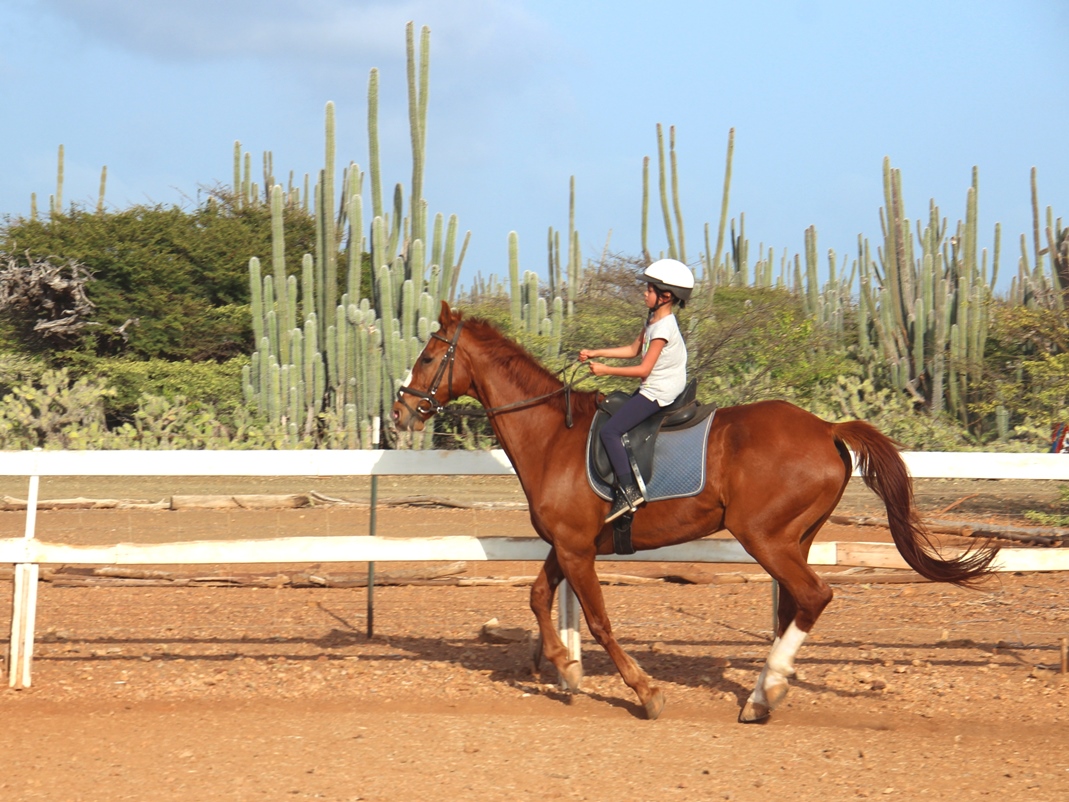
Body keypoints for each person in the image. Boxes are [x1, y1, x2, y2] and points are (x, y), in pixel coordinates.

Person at [579, 258, 694, 523]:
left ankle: (629, 491)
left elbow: (643, 369)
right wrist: (596, 352)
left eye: (650, 290)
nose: (645, 293)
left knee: (610, 431)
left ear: (665, 296)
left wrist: (605, 370)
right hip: (654, 385)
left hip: (660, 391)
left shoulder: (664, 328)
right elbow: (632, 350)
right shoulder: (654, 320)